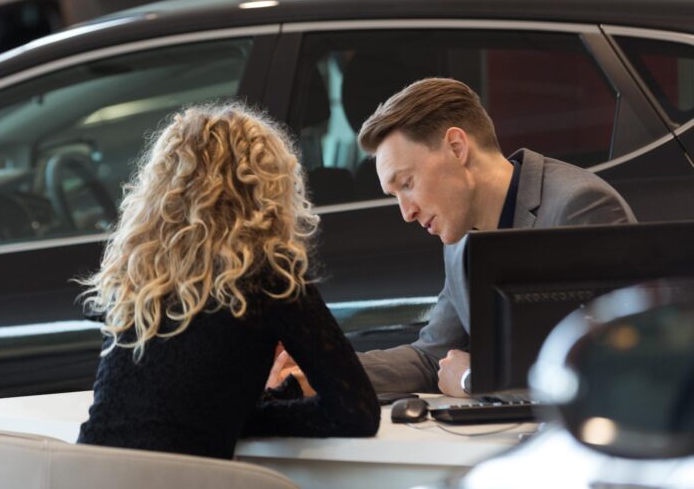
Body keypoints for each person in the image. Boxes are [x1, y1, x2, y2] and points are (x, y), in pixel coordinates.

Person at [269, 78, 635, 398]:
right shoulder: (459, 238)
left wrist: (475, 379)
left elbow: (611, 367)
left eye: (407, 184)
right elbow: (432, 356)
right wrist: (324, 369)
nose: (406, 212)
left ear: (457, 147)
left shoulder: (580, 207)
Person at [77, 103, 380, 459]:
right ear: (267, 189)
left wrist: (237, 412)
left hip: (85, 471)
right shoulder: (267, 276)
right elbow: (355, 412)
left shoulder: (137, 274)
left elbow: (156, 410)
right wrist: (254, 415)